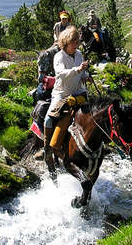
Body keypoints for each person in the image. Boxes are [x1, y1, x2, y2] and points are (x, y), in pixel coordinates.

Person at [34, 26, 89, 163]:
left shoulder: (79, 54)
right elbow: (61, 74)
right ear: (65, 42)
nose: (76, 44)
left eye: (77, 41)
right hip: (61, 93)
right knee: (48, 119)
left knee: (94, 114)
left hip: (78, 91)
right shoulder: (59, 56)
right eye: (73, 41)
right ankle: (47, 150)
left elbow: (81, 72)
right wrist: (78, 69)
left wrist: (85, 75)